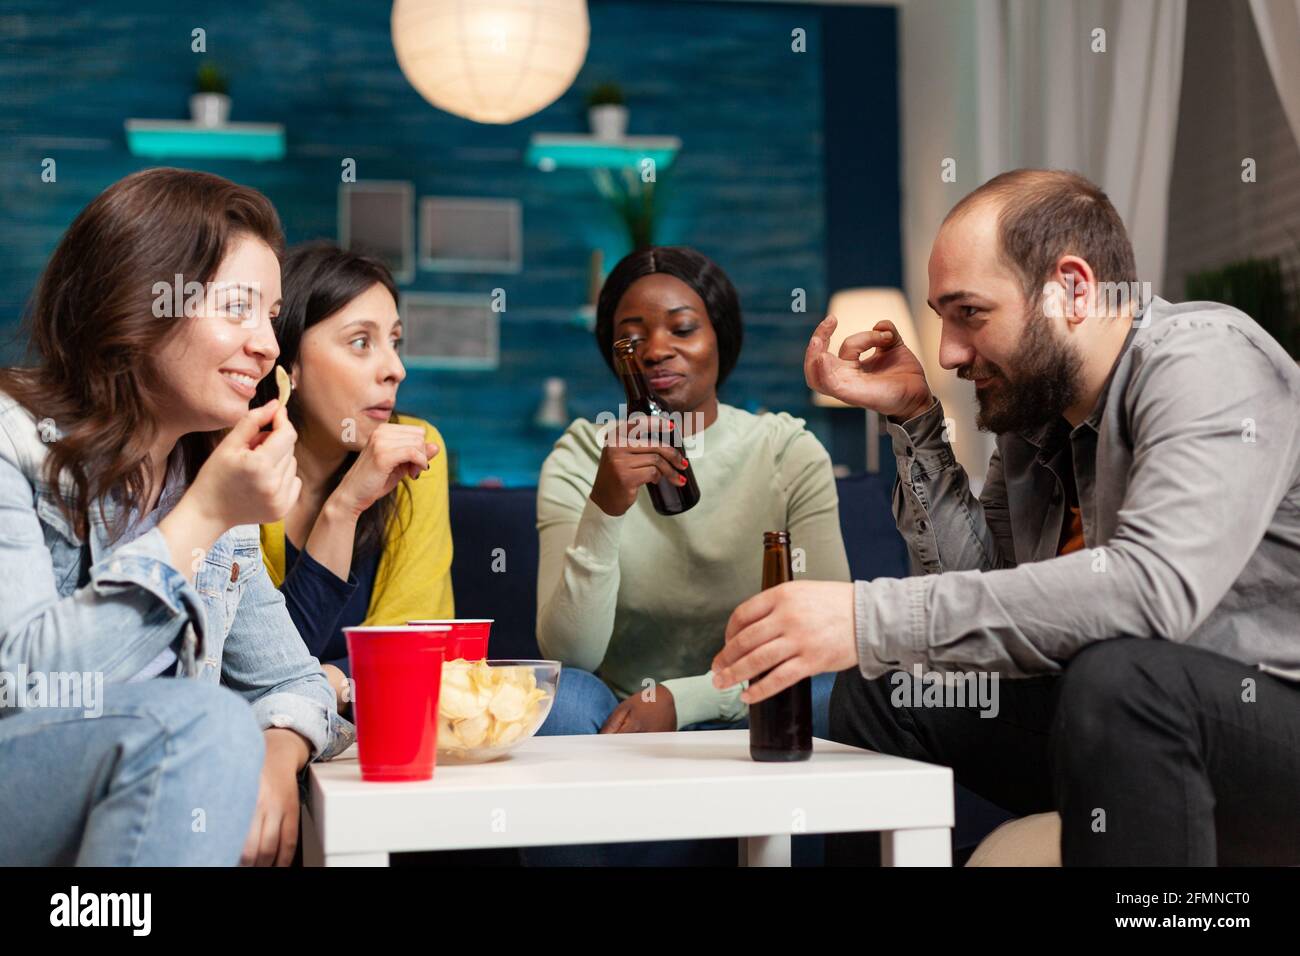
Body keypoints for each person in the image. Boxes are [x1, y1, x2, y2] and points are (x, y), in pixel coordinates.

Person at [712, 168, 1300, 866]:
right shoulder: (1037, 415)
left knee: (1122, 676)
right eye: (941, 318)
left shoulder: (1205, 360)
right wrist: (915, 422)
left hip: (1262, 721)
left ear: (1073, 290)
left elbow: (1152, 591)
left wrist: (864, 618)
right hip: (1119, 717)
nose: (948, 352)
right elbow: (984, 598)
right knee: (885, 683)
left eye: (971, 314)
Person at [0, 168, 352, 866]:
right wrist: (204, 517)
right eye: (238, 309)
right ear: (137, 298)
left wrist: (279, 753)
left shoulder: (207, 481)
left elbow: (292, 680)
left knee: (219, 729)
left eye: (271, 317)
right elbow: (21, 682)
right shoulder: (13, 440)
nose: (269, 346)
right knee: (206, 723)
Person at [253, 243, 453, 714]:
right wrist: (343, 509)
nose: (396, 370)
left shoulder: (418, 446)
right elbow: (261, 671)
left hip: (383, 720)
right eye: (361, 342)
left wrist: (337, 679)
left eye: (395, 342)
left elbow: (417, 646)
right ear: (288, 366)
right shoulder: (240, 461)